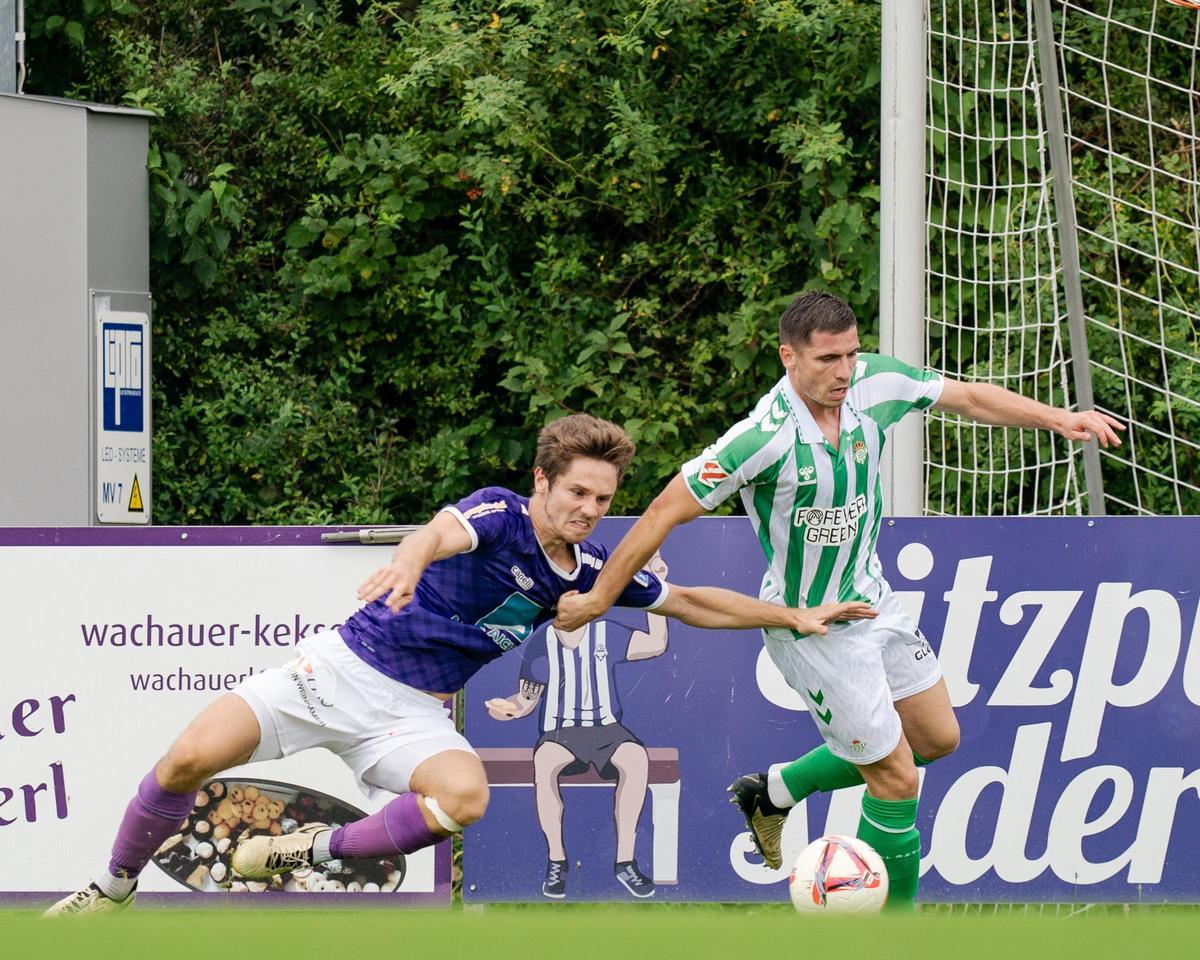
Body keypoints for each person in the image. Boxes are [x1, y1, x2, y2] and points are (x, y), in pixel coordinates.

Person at [46, 413, 874, 916]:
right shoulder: (500, 513)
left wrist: (794, 614)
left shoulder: (590, 573)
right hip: (333, 671)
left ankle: (307, 851)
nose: (590, 511)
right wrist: (410, 559)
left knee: (464, 797)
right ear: (543, 480)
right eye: (577, 493)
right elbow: (440, 533)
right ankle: (113, 888)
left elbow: (691, 600)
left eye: (602, 498)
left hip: (410, 714)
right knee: (188, 757)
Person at [554, 291, 1125, 909]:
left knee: (936, 740)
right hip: (815, 630)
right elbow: (664, 511)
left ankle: (774, 791)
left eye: (851, 354)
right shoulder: (760, 440)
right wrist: (597, 599)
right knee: (897, 778)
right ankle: (891, 934)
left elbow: (968, 397)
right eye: (828, 359)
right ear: (788, 357)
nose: (845, 371)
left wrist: (1057, 418)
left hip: (873, 600)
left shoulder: (874, 383)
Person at [486, 552, 672, 900]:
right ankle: (557, 860)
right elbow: (526, 700)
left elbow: (656, 643)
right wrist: (506, 709)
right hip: (561, 732)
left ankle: (625, 862)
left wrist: (657, 585)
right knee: (545, 761)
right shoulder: (540, 642)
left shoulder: (607, 633)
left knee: (635, 759)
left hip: (606, 728)